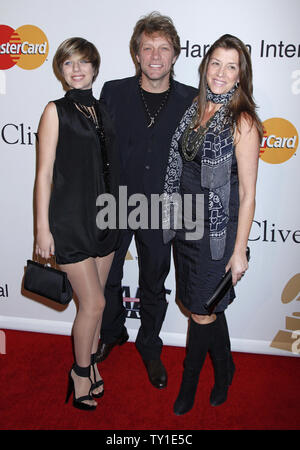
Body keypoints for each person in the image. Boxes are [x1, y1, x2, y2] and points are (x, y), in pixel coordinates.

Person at [95, 12, 197, 389]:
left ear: (175, 54)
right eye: (147, 47)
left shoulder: (191, 99)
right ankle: (111, 332)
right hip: (115, 201)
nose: (155, 55)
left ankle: (150, 345)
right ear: (136, 54)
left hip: (165, 206)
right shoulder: (113, 91)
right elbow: (99, 150)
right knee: (108, 277)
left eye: (163, 48)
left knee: (155, 280)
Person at [162, 34, 262, 414]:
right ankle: (226, 367)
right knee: (204, 306)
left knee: (202, 309)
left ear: (240, 76)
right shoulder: (194, 107)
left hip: (216, 236)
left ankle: (191, 382)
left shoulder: (243, 122)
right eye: (215, 63)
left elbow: (249, 194)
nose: (220, 72)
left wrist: (239, 252)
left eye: (231, 66)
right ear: (205, 67)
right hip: (185, 225)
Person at [35, 37, 119, 410]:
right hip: (70, 221)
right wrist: (42, 228)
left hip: (106, 218)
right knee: (95, 303)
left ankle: (91, 366)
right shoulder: (55, 111)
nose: (77, 69)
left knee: (96, 305)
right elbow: (43, 174)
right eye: (69, 63)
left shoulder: (102, 111)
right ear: (61, 70)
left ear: (95, 68)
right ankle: (80, 372)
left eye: (83, 62)